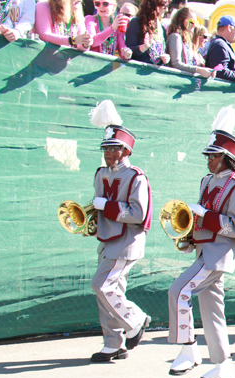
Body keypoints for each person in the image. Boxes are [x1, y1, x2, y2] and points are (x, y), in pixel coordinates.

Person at [167, 108, 235, 378]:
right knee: (212, 311)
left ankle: (188, 349)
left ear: (227, 158)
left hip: (219, 256)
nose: (208, 160)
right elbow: (201, 214)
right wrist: (191, 236)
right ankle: (222, 365)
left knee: (178, 291)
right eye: (208, 155)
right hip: (205, 251)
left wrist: (205, 216)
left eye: (213, 156)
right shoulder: (207, 181)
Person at [84, 100, 152, 363]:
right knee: (111, 292)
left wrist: (109, 208)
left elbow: (138, 214)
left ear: (126, 150)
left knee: (101, 285)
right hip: (106, 238)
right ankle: (114, 344)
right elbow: (99, 204)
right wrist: (91, 218)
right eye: (106, 148)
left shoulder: (136, 177)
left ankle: (136, 319)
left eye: (114, 149)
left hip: (126, 241)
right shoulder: (101, 173)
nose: (108, 153)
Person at [204, 15, 235, 89]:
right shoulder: (219, 44)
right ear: (229, 28)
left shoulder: (223, 44)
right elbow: (220, 71)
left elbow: (233, 66)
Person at [166, 7, 212, 77]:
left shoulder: (188, 40)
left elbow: (189, 64)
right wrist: (198, 70)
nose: (194, 25)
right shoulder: (176, 36)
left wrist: (206, 70)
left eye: (196, 22)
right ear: (181, 20)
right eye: (191, 22)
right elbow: (176, 64)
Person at [124, 0, 170, 66]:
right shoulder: (136, 22)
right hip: (138, 70)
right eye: (164, 7)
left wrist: (165, 58)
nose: (167, 10)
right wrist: (144, 47)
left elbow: (161, 51)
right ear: (155, 7)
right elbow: (129, 50)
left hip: (156, 73)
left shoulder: (161, 28)